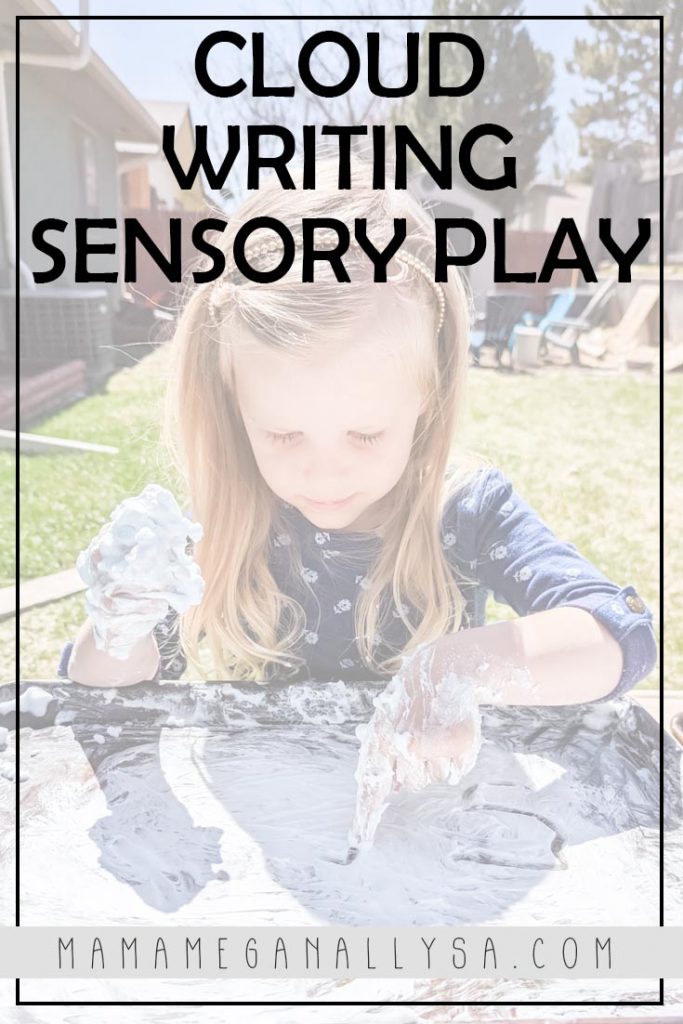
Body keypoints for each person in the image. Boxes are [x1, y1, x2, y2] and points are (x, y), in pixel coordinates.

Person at [62, 156, 657, 780]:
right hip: (282, 814)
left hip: (432, 838)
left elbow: (620, 637)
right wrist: (116, 623)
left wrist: (454, 668)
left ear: (426, 399)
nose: (323, 475)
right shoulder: (225, 522)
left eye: (366, 433)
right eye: (284, 434)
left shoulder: (468, 511)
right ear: (235, 409)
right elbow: (102, 698)